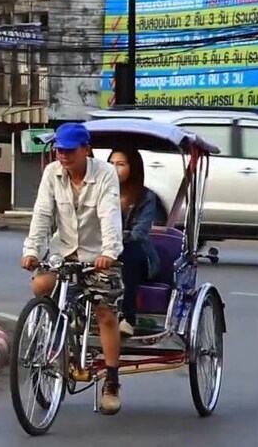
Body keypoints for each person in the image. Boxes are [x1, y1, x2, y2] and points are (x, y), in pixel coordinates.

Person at [20, 122, 125, 415]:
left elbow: (110, 215)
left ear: (85, 150)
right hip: (63, 252)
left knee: (105, 311)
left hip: (98, 256)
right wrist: (31, 251)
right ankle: (55, 346)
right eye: (59, 150)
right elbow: (41, 215)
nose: (62, 156)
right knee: (41, 286)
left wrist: (108, 252)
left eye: (68, 151)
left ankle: (112, 382)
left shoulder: (105, 175)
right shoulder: (51, 174)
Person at [107, 147, 160, 338]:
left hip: (139, 255)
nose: (114, 169)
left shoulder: (146, 197)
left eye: (120, 164)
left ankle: (128, 319)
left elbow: (140, 232)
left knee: (128, 251)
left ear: (133, 168)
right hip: (108, 251)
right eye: (111, 164)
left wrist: (113, 238)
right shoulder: (101, 193)